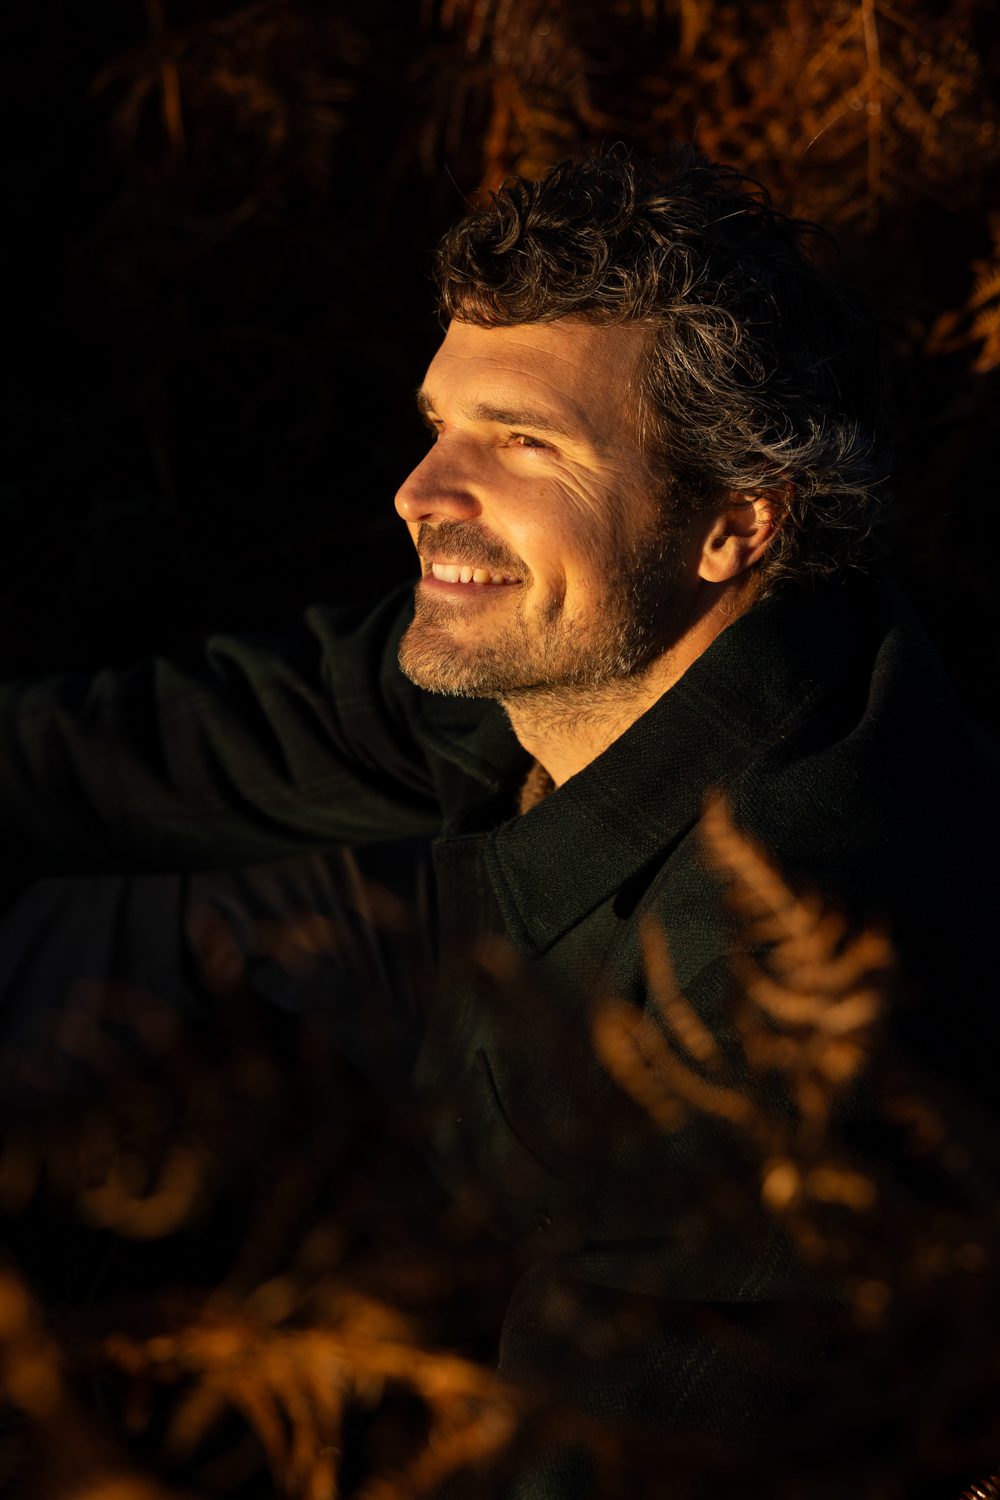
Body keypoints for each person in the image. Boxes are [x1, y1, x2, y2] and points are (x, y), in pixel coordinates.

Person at [0, 149, 996, 1494]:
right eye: (441, 422)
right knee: (90, 920)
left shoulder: (785, 995)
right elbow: (194, 739)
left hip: (588, 1361)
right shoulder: (596, 636)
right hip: (485, 1120)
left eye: (524, 443)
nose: (421, 491)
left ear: (734, 526)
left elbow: (591, 1456)